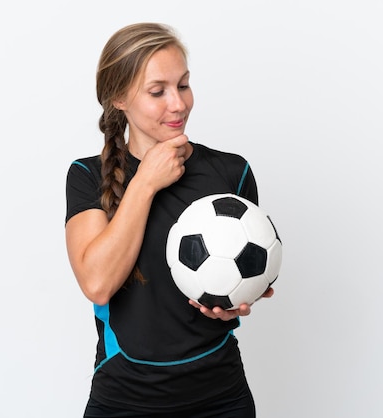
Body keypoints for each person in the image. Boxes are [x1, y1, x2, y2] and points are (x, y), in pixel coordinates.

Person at [65, 22, 274, 418]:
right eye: (157, 91)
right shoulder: (87, 176)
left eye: (184, 85)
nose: (178, 104)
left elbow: (243, 276)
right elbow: (97, 283)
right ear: (119, 99)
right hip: (124, 398)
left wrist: (235, 302)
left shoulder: (232, 172)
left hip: (221, 396)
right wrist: (145, 182)